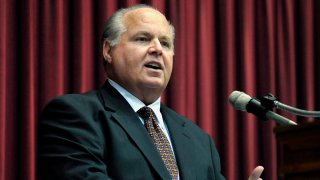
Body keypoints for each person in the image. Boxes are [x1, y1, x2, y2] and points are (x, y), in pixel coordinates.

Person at [38, 4, 264, 180]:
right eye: (143, 39)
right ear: (109, 50)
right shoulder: (74, 116)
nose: (157, 49)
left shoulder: (199, 140)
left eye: (165, 44)